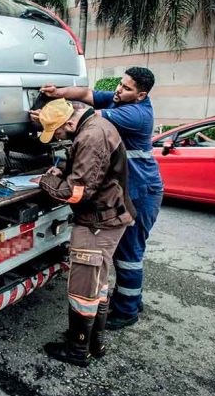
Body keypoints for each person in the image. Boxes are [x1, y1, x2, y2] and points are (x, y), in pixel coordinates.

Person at [31, 67, 163, 330]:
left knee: (129, 253)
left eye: (126, 88)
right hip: (129, 188)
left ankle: (127, 310)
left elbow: (86, 114)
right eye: (121, 84)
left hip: (141, 191)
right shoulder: (121, 99)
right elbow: (88, 94)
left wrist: (51, 116)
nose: (119, 90)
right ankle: (132, 300)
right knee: (125, 252)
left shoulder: (136, 114)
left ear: (141, 95)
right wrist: (59, 93)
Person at [37, 98, 135, 367]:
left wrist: (46, 181)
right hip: (109, 218)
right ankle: (95, 343)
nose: (58, 138)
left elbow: (77, 192)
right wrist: (63, 169)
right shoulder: (95, 126)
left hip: (97, 224)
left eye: (57, 133)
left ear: (69, 122)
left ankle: (78, 350)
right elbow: (90, 170)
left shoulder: (90, 137)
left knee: (82, 290)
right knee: (97, 284)